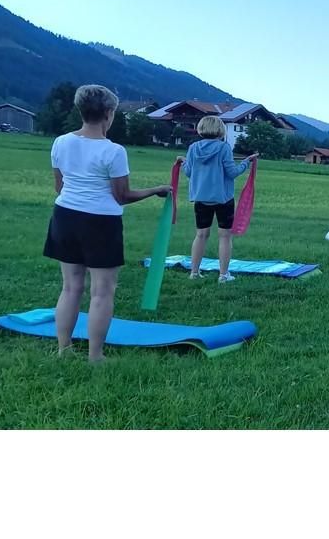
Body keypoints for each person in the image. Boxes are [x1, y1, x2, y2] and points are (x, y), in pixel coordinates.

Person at [44, 84, 170, 362]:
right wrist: (156, 190)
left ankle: (63, 350)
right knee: (102, 291)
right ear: (109, 114)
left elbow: (59, 186)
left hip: (65, 217)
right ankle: (95, 355)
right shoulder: (113, 151)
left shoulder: (61, 142)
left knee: (70, 287)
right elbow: (122, 196)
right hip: (100, 223)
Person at [176, 116, 257, 283]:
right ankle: (223, 275)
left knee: (201, 235)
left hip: (201, 199)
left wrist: (183, 163)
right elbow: (232, 173)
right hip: (223, 199)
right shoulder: (224, 148)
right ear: (220, 131)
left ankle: (194, 272)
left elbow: (189, 173)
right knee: (225, 236)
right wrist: (246, 163)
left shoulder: (193, 148)